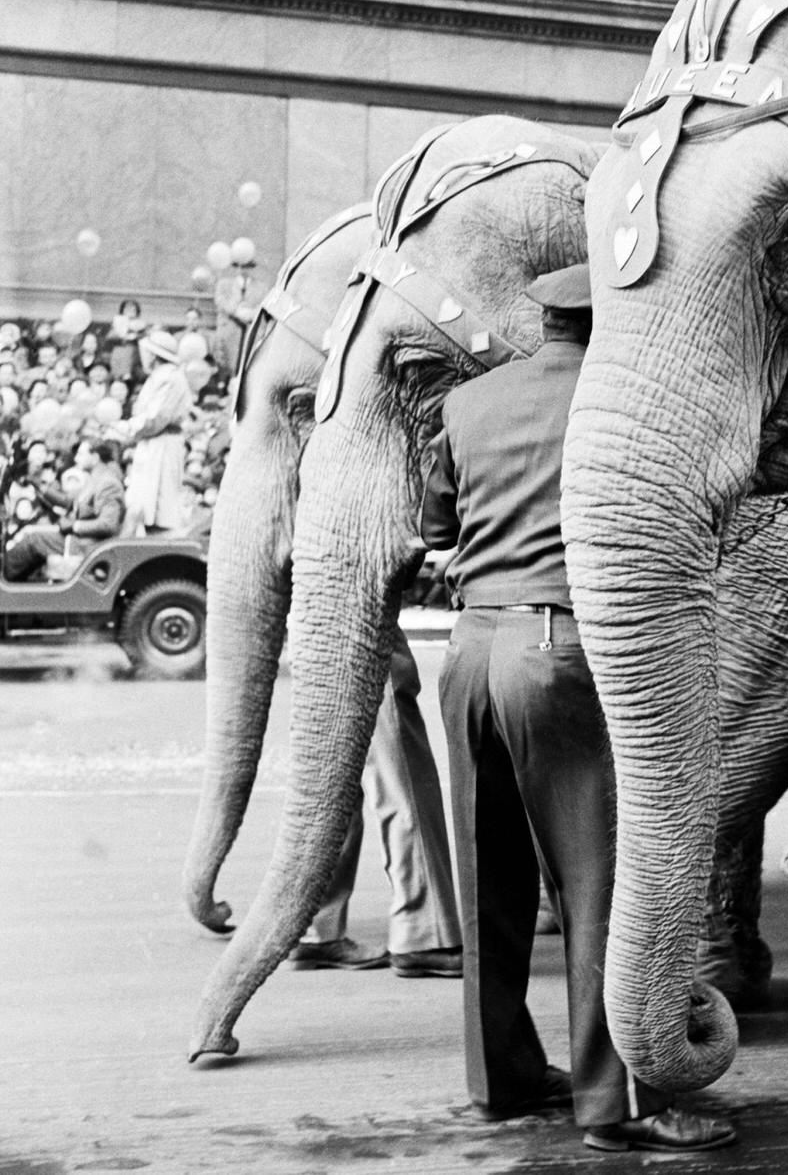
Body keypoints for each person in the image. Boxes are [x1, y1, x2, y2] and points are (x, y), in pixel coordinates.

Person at [419, 263, 735, 1154]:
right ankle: (619, 1104)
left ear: (547, 317)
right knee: (601, 879)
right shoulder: (620, 397)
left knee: (491, 881)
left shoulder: (470, 403)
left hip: (470, 647)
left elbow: (438, 529)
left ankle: (504, 1078)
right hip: (562, 649)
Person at [287, 630, 464, 976]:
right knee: (401, 774)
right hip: (360, 621)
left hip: (315, 627)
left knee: (335, 781)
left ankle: (315, 925)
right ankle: (424, 932)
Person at [3, 438, 123, 581]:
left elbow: (108, 524)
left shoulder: (107, 483)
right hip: (78, 537)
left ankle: (6, 586)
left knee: (33, 540)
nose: (76, 459)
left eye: (81, 454)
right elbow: (71, 502)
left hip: (85, 543)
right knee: (30, 533)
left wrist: (74, 526)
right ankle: (19, 584)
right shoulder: (96, 478)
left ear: (95, 457)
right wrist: (40, 486)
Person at [121, 330, 193, 533]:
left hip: (163, 444)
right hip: (151, 444)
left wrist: (126, 428)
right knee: (142, 506)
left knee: (159, 508)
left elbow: (155, 419)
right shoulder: (158, 376)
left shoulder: (170, 377)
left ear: (152, 354)